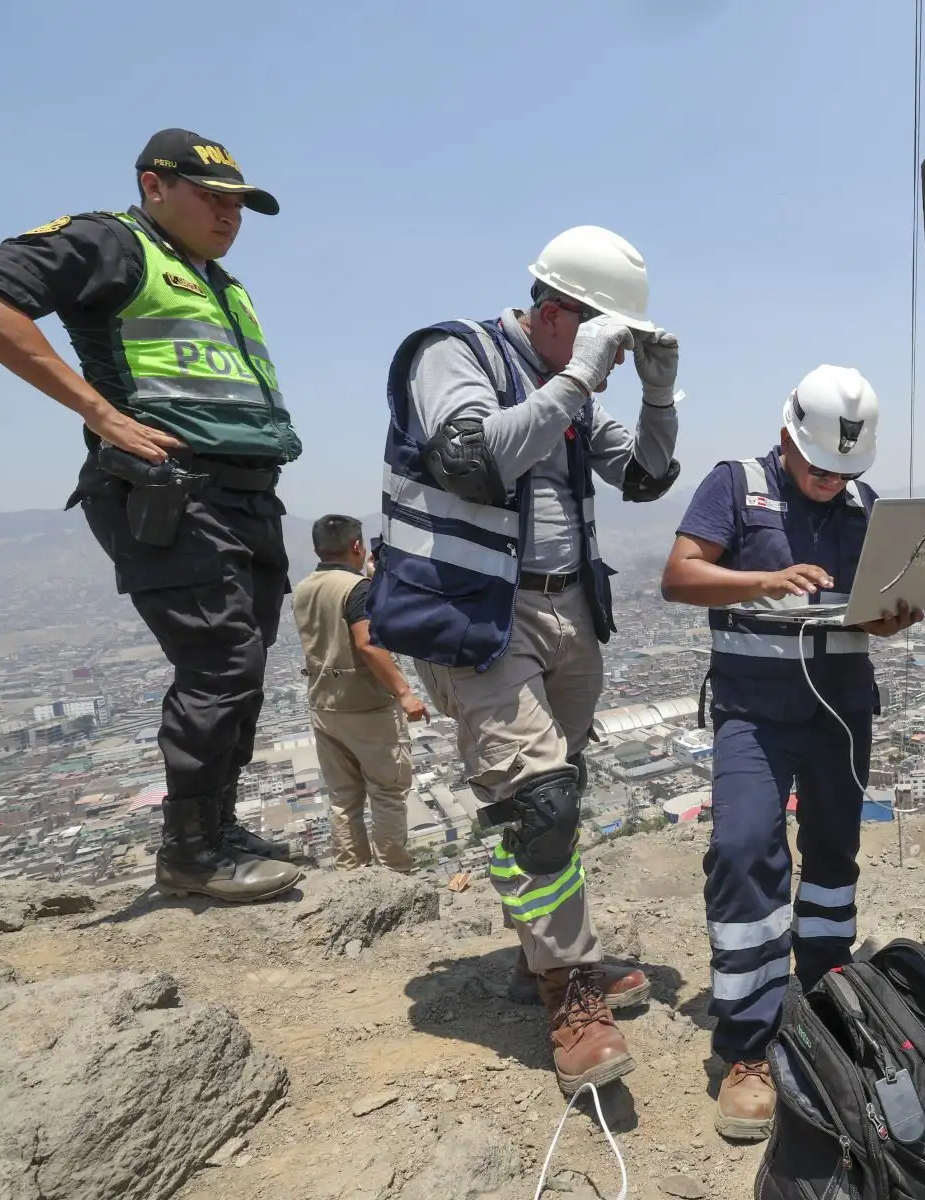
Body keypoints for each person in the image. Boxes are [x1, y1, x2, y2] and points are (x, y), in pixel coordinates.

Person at [367, 225, 679, 1098]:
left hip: (569, 606)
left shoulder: (566, 388)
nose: (609, 362)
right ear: (554, 312)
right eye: (604, 338)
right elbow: (469, 458)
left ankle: (537, 954)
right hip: (482, 618)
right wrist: (578, 378)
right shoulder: (453, 355)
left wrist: (658, 396)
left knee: (547, 804)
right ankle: (570, 988)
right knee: (535, 799)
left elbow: (647, 477)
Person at [0, 129, 302, 904]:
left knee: (244, 669)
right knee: (219, 663)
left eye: (238, 204)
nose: (230, 216)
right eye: (211, 198)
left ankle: (217, 826)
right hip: (173, 493)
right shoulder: (113, 243)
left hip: (248, 497)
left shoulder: (215, 278)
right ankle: (190, 852)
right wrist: (103, 416)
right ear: (155, 186)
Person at [660, 366, 921, 1141]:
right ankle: (746, 1047)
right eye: (818, 467)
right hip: (755, 718)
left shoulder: (865, 506)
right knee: (745, 853)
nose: (830, 481)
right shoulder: (735, 486)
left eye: (845, 471)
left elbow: (871, 601)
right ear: (786, 438)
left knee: (834, 860)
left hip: (841, 712)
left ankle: (825, 996)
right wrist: (763, 580)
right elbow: (680, 576)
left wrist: (887, 621)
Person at [293, 515, 426, 872]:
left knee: (343, 798)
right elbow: (366, 644)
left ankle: (353, 874)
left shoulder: (305, 587)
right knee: (387, 793)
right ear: (356, 546)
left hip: (324, 705)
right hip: (366, 708)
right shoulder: (357, 589)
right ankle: (394, 873)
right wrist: (404, 692)